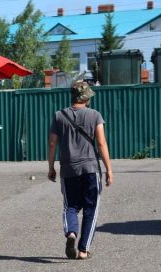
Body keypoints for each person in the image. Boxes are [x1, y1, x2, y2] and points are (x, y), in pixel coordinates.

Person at [47, 80, 113, 260]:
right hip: (91, 169)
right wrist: (109, 170)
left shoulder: (59, 116)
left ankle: (71, 234)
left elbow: (52, 143)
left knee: (71, 206)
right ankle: (83, 250)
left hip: (68, 170)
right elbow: (101, 143)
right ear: (86, 98)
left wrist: (51, 167)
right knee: (91, 208)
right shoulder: (95, 115)